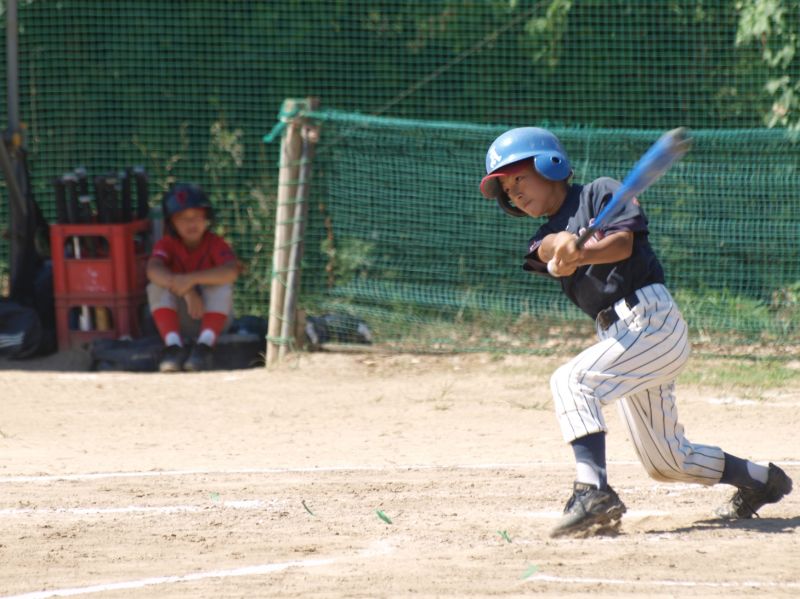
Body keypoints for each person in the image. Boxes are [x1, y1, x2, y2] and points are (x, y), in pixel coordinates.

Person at [479, 127, 793, 538]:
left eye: (519, 178)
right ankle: (761, 480)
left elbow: (622, 244)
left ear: (550, 165)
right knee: (667, 461)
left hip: (651, 321)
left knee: (571, 381)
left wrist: (582, 251)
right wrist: (562, 244)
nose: (514, 192)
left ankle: (593, 491)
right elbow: (546, 247)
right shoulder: (541, 234)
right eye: (506, 189)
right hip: (618, 338)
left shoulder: (600, 192)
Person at [146, 182, 239, 372]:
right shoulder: (167, 244)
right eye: (182, 218)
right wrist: (187, 290)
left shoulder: (215, 243)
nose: (191, 224)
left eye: (197, 216)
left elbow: (231, 271)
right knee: (155, 286)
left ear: (206, 218)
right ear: (171, 223)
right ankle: (173, 348)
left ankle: (204, 348)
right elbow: (153, 270)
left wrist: (192, 279)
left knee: (222, 285)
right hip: (179, 321)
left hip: (215, 321)